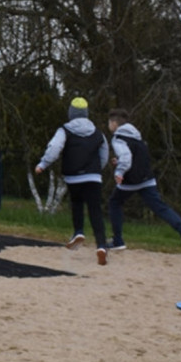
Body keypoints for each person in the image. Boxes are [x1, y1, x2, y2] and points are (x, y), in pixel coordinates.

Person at [106, 108, 181, 254]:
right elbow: (134, 155)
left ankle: (117, 241)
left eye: (109, 122)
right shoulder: (136, 136)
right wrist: (120, 161)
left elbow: (127, 157)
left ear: (114, 123)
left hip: (131, 181)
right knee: (160, 207)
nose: (108, 125)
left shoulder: (118, 138)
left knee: (114, 203)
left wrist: (119, 171)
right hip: (147, 179)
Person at [34, 98, 110, 265]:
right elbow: (104, 154)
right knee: (95, 210)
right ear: (86, 113)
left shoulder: (64, 130)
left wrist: (43, 164)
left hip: (74, 177)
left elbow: (55, 148)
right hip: (94, 177)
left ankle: (78, 232)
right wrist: (97, 170)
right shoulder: (98, 133)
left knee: (77, 204)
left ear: (71, 113)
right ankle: (101, 245)